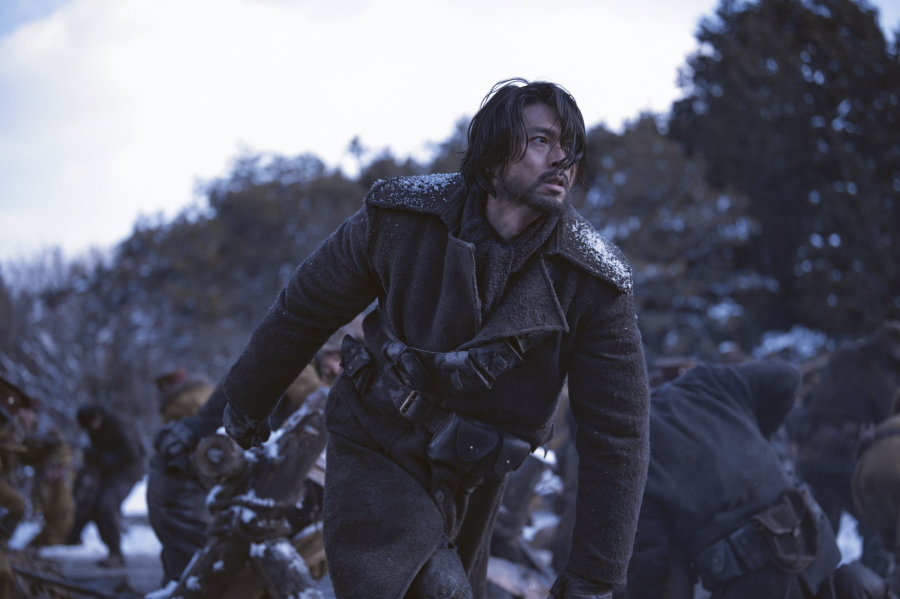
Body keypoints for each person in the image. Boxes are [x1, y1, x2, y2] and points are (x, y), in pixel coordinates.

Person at [221, 78, 651, 599]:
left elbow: (617, 433)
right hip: (377, 442)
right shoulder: (400, 217)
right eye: (541, 140)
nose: (562, 158)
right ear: (493, 150)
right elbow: (306, 306)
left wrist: (594, 576)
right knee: (434, 590)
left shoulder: (595, 280)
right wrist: (248, 398)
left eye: (571, 147)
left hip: (477, 476)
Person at [626, 360, 844, 599]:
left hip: (756, 581)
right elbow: (787, 376)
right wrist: (759, 436)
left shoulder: (635, 449)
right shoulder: (704, 382)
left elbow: (651, 559)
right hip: (816, 542)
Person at [793, 321, 900, 575]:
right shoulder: (876, 372)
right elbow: (889, 413)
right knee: (876, 523)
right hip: (842, 458)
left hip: (811, 455)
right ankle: (875, 585)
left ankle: (810, 583)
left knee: (818, 530)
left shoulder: (843, 355)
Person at [66, 405, 144, 568]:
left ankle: (116, 554)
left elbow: (132, 453)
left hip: (127, 472)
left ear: (97, 417)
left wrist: (103, 458)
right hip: (110, 472)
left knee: (106, 506)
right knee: (94, 507)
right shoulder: (94, 429)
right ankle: (112, 551)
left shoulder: (119, 425)